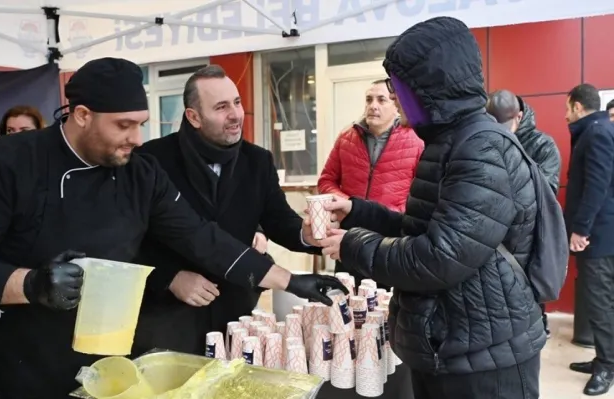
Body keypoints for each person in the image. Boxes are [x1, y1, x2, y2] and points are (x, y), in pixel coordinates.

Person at [0, 57, 346, 399]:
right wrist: (29, 284)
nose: (138, 138)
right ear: (81, 114)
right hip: (7, 366)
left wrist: (292, 280)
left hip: (101, 363)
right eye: (124, 125)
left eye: (141, 123)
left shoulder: (140, 172)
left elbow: (200, 237)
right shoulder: (1, 163)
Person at [319, 17, 543, 398]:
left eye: (398, 89)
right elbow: (423, 230)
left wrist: (353, 244)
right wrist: (356, 211)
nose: (395, 99)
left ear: (429, 89)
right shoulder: (448, 142)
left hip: (485, 357)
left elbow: (440, 257)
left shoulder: (480, 149)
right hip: (452, 341)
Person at [132, 65, 324, 355]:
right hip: (167, 316)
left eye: (236, 102)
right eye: (221, 107)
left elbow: (278, 220)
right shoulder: (151, 160)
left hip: (236, 310)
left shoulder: (257, 161)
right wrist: (169, 277)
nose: (235, 114)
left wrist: (305, 235)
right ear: (193, 117)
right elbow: (129, 239)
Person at [318, 79, 423, 284]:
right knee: (347, 300)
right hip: (349, 235)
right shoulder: (346, 138)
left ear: (396, 106)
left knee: (386, 306)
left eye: (381, 100)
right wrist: (349, 205)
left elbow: (422, 192)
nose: (373, 105)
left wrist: (395, 213)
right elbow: (327, 179)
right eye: (369, 99)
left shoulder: (415, 140)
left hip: (390, 240)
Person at [487, 89, 562, 338]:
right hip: (493, 235)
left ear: (519, 116)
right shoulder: (485, 139)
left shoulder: (542, 144)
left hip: (528, 235)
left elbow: (546, 192)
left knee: (527, 296)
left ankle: (537, 328)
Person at [563, 83, 614, 396]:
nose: (566, 116)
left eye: (568, 108)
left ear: (578, 106)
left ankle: (607, 365)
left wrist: (581, 230)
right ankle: (603, 357)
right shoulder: (598, 131)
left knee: (600, 302)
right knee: (602, 301)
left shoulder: (595, 134)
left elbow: (597, 186)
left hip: (598, 235)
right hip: (601, 232)